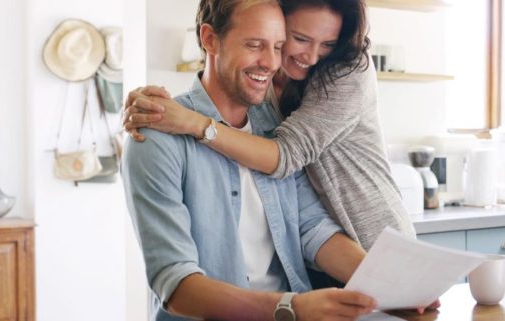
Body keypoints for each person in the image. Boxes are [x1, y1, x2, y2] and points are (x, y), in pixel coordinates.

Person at [122, 1, 379, 320]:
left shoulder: (275, 127)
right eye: (255, 45)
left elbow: (312, 228)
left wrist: (389, 286)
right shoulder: (157, 138)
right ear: (210, 39)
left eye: (279, 46)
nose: (271, 62)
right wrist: (291, 308)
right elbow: (176, 284)